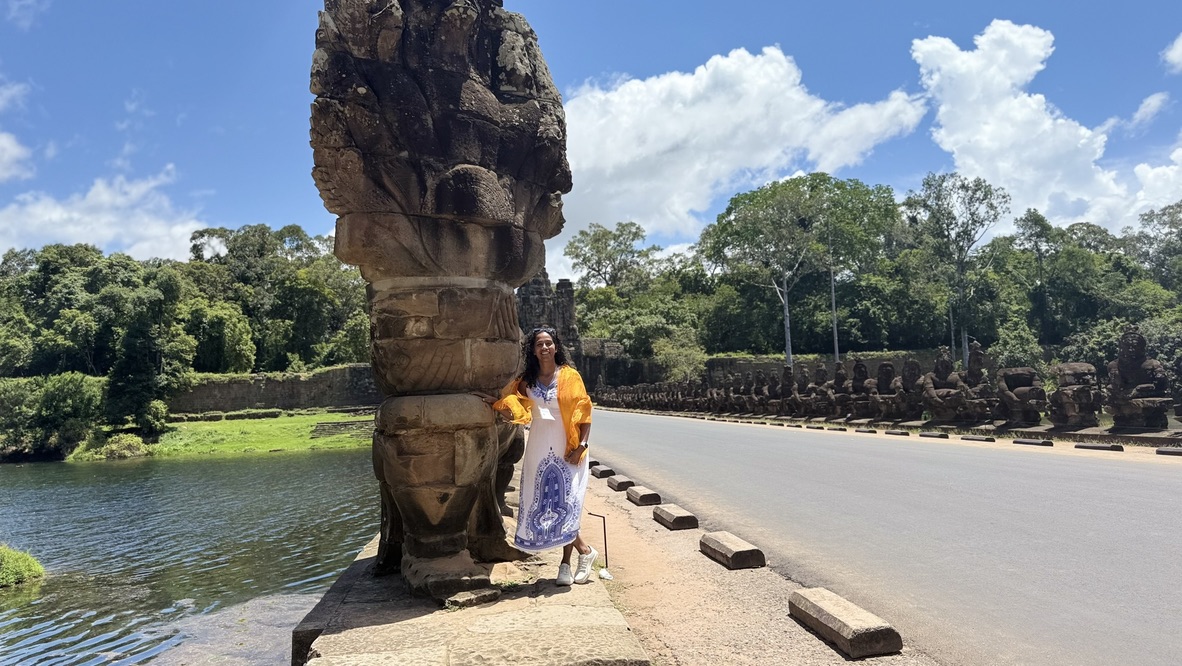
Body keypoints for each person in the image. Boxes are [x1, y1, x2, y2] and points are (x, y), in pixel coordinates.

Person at [475, 326, 598, 586]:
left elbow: (585, 413)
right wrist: (494, 403)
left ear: (556, 347)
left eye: (549, 343)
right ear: (533, 349)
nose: (544, 348)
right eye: (539, 344)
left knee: (567, 503)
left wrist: (582, 447)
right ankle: (585, 552)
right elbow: (513, 406)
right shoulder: (527, 381)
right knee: (543, 504)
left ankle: (565, 565)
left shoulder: (570, 376)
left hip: (569, 446)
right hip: (539, 448)